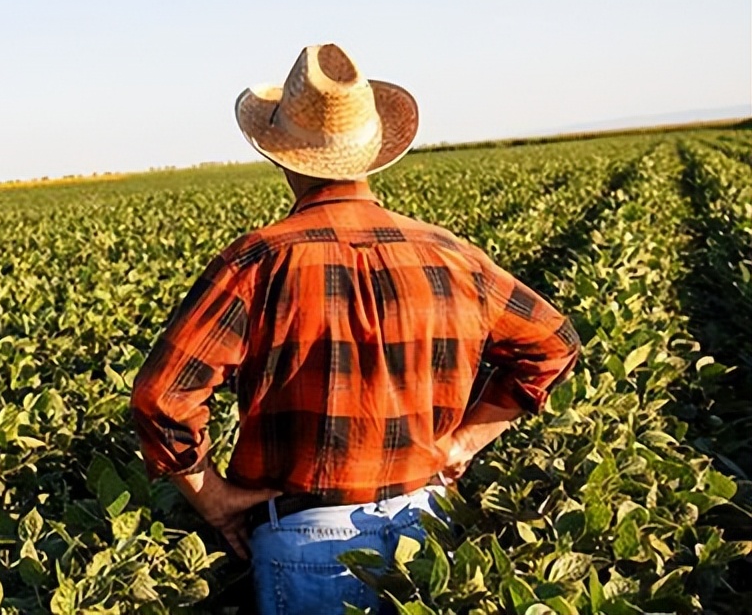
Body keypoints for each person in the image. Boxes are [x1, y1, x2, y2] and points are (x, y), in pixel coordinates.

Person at [130, 43, 581, 614]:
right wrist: (463, 441)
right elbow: (554, 344)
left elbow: (161, 396)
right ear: (371, 154)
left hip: (307, 540)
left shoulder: (257, 261)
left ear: (284, 158)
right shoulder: (449, 254)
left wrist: (212, 497)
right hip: (429, 528)